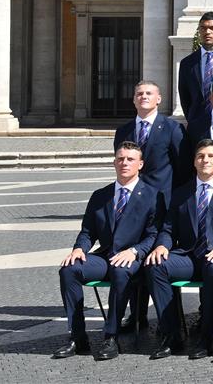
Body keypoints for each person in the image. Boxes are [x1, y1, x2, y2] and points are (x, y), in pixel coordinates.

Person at [53, 142, 165, 360]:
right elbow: (87, 231)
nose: (125, 163)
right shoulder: (100, 196)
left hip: (134, 258)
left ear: (140, 164)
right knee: (69, 270)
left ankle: (110, 336)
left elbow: (154, 234)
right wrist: (79, 249)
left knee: (120, 271)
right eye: (120, 159)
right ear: (114, 162)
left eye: (130, 159)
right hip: (106, 256)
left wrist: (134, 251)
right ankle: (78, 337)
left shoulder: (153, 195)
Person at [145, 139, 213, 360]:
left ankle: (207, 336)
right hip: (188, 256)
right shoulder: (181, 193)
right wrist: (162, 245)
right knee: (156, 267)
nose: (205, 160)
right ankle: (171, 335)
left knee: (212, 268)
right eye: (200, 156)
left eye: (210, 156)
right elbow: (168, 228)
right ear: (194, 161)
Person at [114, 80, 186, 202]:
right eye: (139, 94)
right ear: (134, 100)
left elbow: (183, 166)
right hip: (131, 197)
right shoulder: (123, 131)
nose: (144, 96)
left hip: (162, 197)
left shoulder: (173, 128)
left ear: (158, 99)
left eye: (148, 93)